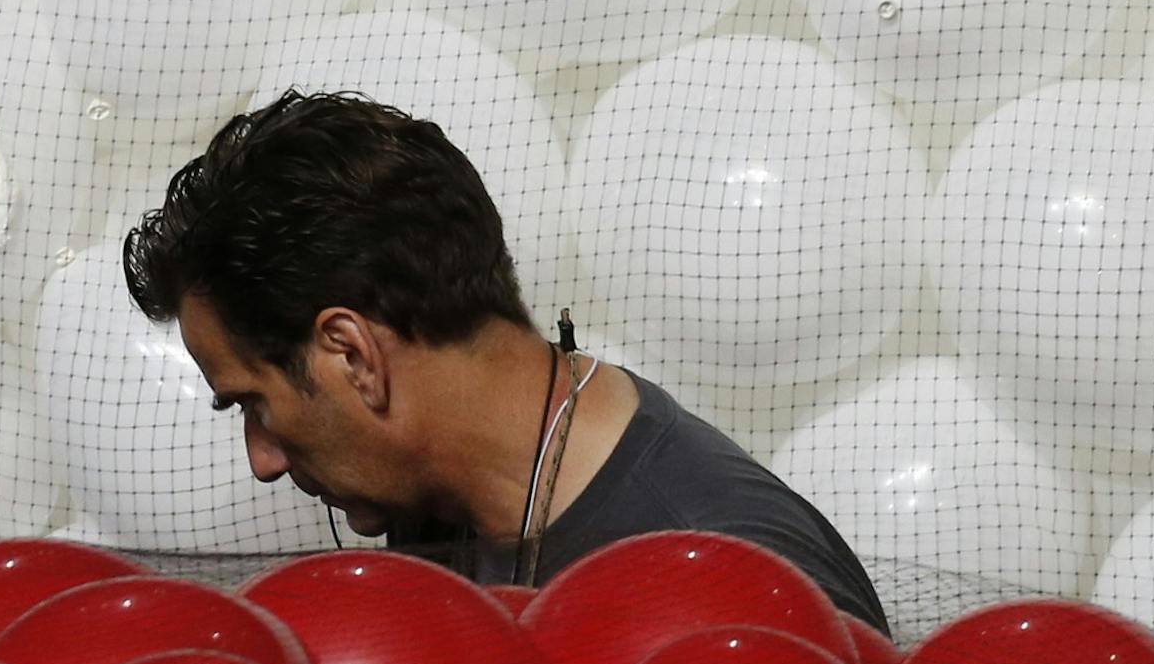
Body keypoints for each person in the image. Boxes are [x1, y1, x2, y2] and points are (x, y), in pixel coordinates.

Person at [122, 89, 889, 633]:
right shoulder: (436, 510)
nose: (260, 458)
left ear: (352, 354)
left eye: (253, 402)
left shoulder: (734, 584)